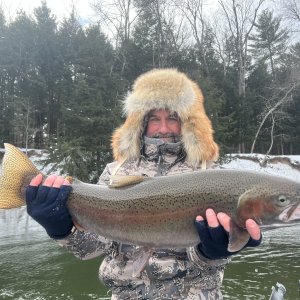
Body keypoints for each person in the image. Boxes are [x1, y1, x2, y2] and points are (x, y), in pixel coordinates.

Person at [26, 68, 261, 300]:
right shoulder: (116, 171)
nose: (163, 128)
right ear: (140, 122)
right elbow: (95, 247)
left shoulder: (209, 176)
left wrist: (212, 252)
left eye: (172, 118)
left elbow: (213, 261)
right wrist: (61, 229)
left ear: (187, 123)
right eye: (154, 119)